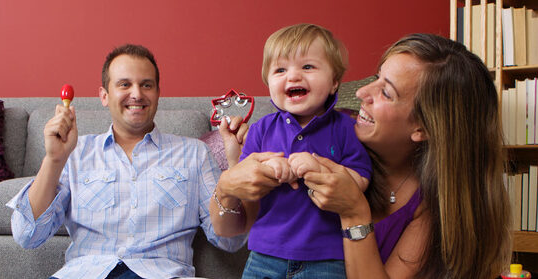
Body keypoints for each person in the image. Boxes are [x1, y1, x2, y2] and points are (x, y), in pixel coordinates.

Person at [214, 33, 513, 278]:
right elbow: (234, 228)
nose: (361, 93)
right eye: (376, 77)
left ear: (423, 127)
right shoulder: (330, 131)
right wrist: (230, 178)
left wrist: (354, 211)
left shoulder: (431, 209)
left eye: (387, 92)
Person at [6, 44, 247, 279]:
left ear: (158, 93)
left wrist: (236, 164)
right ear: (104, 95)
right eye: (124, 84)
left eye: (146, 85)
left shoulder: (195, 153)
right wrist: (54, 159)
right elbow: (28, 235)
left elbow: (229, 239)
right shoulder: (75, 153)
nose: (137, 94)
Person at [209, 23, 372, 278]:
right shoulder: (261, 129)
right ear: (269, 83)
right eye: (280, 70)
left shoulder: (347, 128)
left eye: (307, 66)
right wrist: (268, 169)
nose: (293, 76)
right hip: (265, 255)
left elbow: (361, 179)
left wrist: (319, 169)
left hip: (328, 257)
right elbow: (245, 181)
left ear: (334, 82)